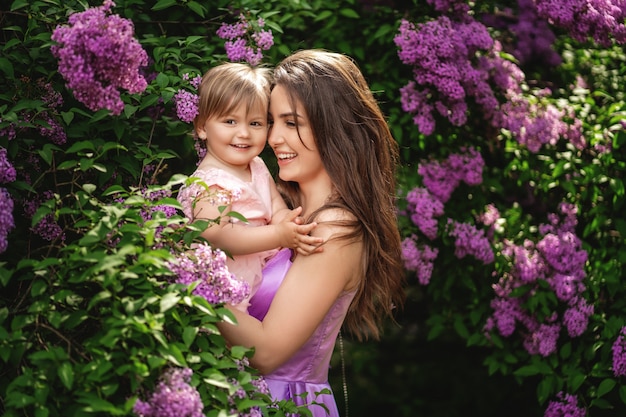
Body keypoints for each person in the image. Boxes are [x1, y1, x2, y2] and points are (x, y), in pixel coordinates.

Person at [217, 50, 406, 416]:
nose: (273, 138)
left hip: (283, 404)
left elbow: (267, 353)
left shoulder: (336, 228)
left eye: (292, 122)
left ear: (332, 126)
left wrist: (194, 281)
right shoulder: (277, 207)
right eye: (271, 122)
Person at [177, 62, 323, 313]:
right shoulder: (212, 182)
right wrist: (279, 236)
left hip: (258, 279)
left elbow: (275, 207)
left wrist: (289, 222)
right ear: (202, 127)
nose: (244, 133)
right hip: (226, 288)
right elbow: (216, 236)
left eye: (255, 124)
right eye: (230, 121)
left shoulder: (256, 165)